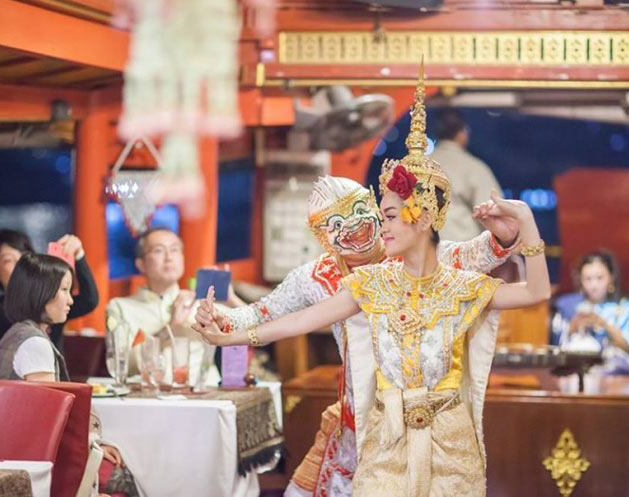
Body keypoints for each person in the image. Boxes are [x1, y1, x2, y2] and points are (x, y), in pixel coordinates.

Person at [194, 69, 550, 497]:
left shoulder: (439, 268)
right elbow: (278, 317)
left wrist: (520, 225)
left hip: (445, 430)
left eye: (369, 213)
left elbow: (494, 259)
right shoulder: (343, 280)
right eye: (337, 225)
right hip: (368, 418)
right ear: (324, 237)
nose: (362, 228)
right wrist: (227, 328)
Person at [213, 174, 519, 497]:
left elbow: (476, 254)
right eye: (334, 223)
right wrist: (221, 320)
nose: (352, 225)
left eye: (359, 210)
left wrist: (505, 234)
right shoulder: (316, 278)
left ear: (376, 208)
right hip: (354, 419)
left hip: (417, 421)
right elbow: (264, 313)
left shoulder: (414, 254)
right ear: (322, 237)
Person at [0, 253, 135, 497]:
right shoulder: (34, 344)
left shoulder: (14, 335)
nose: (70, 300)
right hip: (28, 464)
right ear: (41, 293)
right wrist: (91, 444)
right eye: (64, 290)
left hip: (6, 455)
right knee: (122, 475)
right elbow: (50, 420)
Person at [106, 228, 240, 385]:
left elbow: (258, 329)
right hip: (147, 397)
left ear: (182, 258)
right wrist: (171, 328)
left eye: (174, 250)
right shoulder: (121, 307)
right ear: (141, 264)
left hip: (205, 394)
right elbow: (121, 365)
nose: (169, 257)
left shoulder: (201, 302)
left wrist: (232, 300)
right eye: (158, 250)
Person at [0, 229, 98, 349]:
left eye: (24, 257)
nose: (19, 264)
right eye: (8, 260)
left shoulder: (50, 301)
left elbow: (89, 300)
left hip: (53, 368)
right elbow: (22, 325)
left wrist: (78, 256)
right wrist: (50, 277)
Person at [551, 250, 629, 376]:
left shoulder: (628, 309)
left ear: (611, 278)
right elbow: (556, 350)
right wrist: (573, 327)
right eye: (588, 279)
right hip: (574, 374)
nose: (594, 285)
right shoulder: (567, 306)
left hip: (618, 379)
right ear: (580, 280)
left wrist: (605, 325)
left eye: (599, 278)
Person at [431, 108, 502, 242]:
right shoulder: (474, 167)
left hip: (424, 247)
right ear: (463, 133)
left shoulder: (420, 165)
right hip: (462, 248)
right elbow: (492, 212)